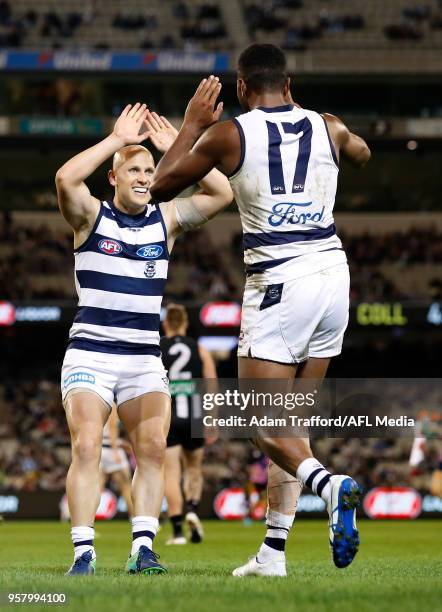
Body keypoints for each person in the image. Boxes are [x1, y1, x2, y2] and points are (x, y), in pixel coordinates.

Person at [150, 43, 371, 576]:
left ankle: (331, 485)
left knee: (262, 425)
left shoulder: (230, 133)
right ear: (289, 83)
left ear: (243, 89)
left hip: (280, 282)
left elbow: (158, 185)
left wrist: (190, 125)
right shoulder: (328, 125)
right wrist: (339, 139)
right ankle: (273, 554)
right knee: (292, 426)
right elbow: (361, 153)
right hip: (333, 278)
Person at [56, 103, 233, 575]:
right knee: (88, 445)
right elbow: (66, 180)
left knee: (154, 447)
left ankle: (143, 548)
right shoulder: (91, 217)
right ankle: (84, 553)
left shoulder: (166, 219)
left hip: (141, 358)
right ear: (113, 178)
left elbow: (221, 193)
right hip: (91, 353)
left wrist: (178, 146)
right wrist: (117, 141)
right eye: (132, 170)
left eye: (149, 170)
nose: (142, 176)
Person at [160, 303, 217, 545]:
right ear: (185, 323)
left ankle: (177, 532)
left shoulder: (157, 348)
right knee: (193, 469)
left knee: (171, 474)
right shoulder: (200, 349)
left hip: (168, 416)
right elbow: (211, 384)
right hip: (194, 415)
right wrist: (212, 419)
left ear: (165, 324)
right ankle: (193, 508)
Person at [99, 404, 134, 519]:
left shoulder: (98, 400)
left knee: (96, 488)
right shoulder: (112, 404)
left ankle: (86, 523)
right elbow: (113, 426)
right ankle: (135, 519)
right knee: (126, 487)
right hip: (112, 450)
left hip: (100, 449)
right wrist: (115, 449)